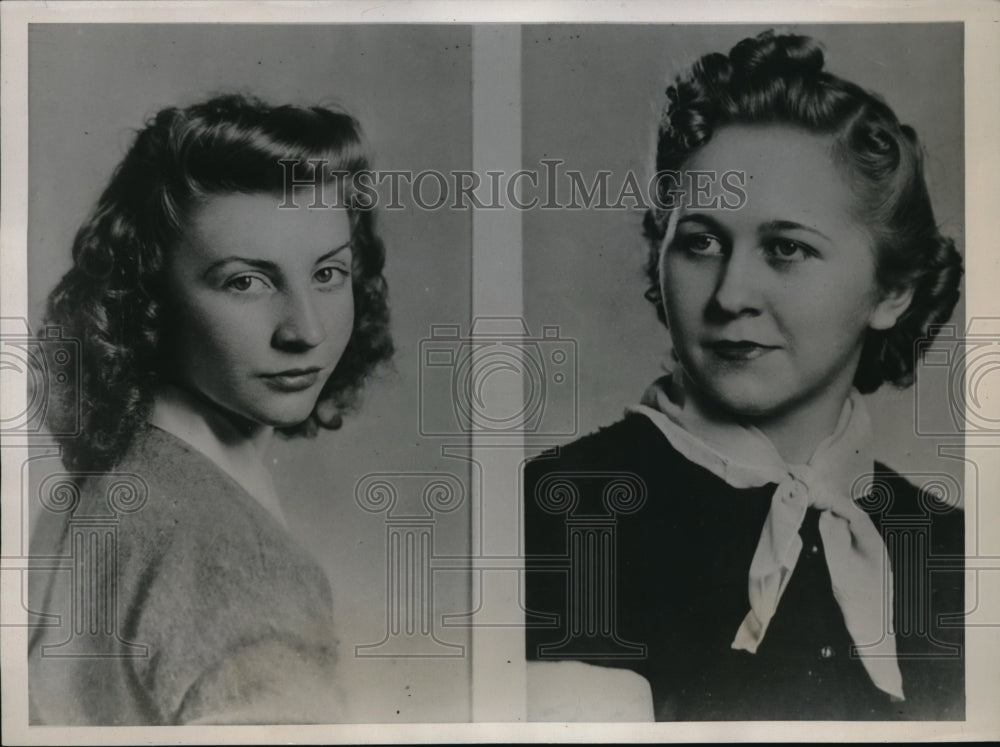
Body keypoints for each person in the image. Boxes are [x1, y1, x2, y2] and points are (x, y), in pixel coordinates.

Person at [524, 31, 965, 721]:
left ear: (892, 290)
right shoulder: (547, 520)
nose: (731, 295)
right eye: (700, 242)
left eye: (786, 248)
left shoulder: (958, 556)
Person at [28, 94, 392, 725]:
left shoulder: (102, 486)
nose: (306, 329)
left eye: (329, 274)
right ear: (148, 293)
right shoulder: (240, 564)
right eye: (245, 282)